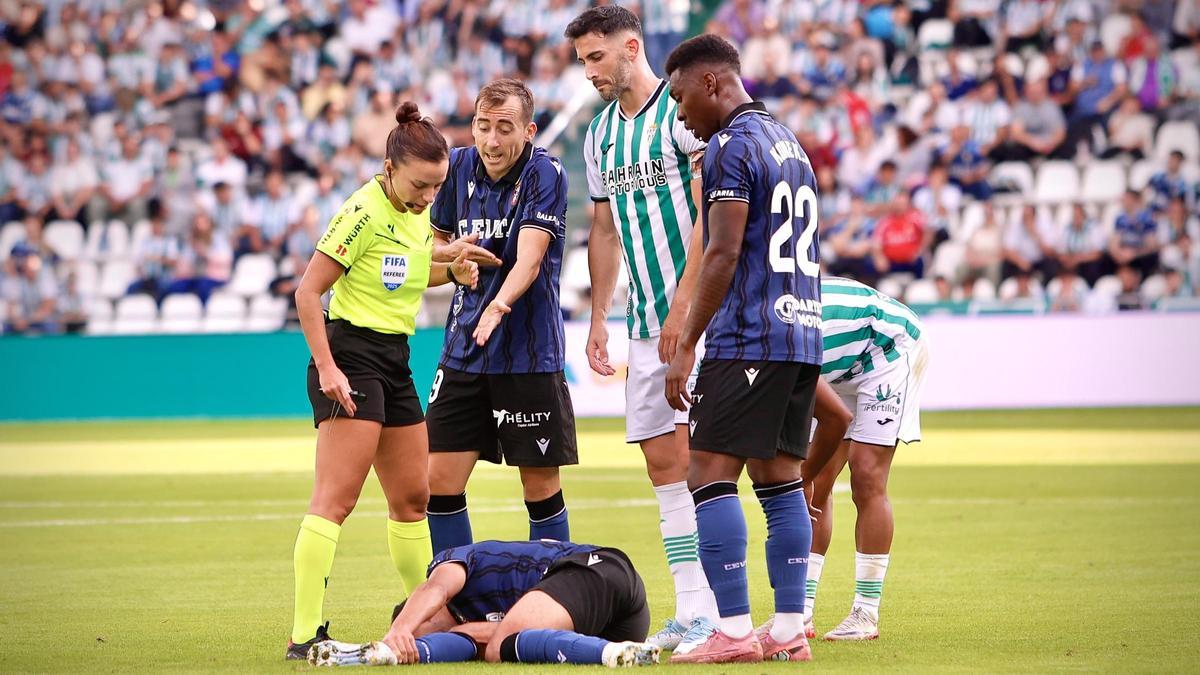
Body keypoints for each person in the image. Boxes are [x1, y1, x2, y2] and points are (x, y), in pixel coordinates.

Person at [286, 102, 480, 661]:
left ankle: (422, 619)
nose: (428, 198)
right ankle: (305, 637)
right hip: (350, 356)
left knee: (413, 499)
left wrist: (453, 268)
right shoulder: (361, 212)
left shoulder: (415, 212)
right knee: (337, 500)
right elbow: (306, 294)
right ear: (390, 167)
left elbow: (410, 269)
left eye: (437, 187)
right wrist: (327, 369)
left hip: (395, 361)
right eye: (421, 185)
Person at [663, 34, 822, 664]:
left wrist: (686, 345)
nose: (680, 115)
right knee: (781, 477)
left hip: (750, 335)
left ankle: (731, 632)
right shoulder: (791, 143)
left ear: (710, 84)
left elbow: (722, 251)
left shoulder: (729, 146)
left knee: (706, 472)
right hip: (801, 332)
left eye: (679, 98)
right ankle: (788, 630)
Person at [565, 5, 718, 651]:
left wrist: (686, 308)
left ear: (631, 47)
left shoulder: (681, 114)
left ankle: (748, 607)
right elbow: (602, 228)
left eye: (597, 57)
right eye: (582, 62)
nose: (590, 72)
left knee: (722, 463)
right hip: (644, 321)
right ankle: (693, 608)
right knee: (664, 463)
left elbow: (714, 215)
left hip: (707, 315)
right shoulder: (599, 135)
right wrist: (599, 314)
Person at [424, 79, 577, 559]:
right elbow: (432, 245)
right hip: (463, 351)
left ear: (528, 130)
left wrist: (496, 306)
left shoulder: (546, 173)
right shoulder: (458, 166)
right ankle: (456, 595)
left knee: (539, 484)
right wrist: (451, 263)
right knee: (438, 483)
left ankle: (553, 599)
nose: (491, 140)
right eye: (483, 126)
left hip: (527, 353)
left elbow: (529, 261)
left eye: (504, 128)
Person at [791, 276, 929, 642]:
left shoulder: (785, 337)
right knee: (815, 482)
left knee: (866, 476)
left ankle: (866, 613)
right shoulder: (771, 333)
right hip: (836, 361)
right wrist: (805, 476)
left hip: (888, 347)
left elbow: (837, 421)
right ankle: (799, 615)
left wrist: (801, 475)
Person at [307, 540, 659, 667]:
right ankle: (615, 648)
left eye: (423, 630)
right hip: (616, 616)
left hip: (596, 568)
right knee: (505, 643)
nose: (423, 637)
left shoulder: (449, 564)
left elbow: (435, 590)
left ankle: (610, 655)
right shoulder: (474, 622)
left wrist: (399, 630)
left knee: (500, 645)